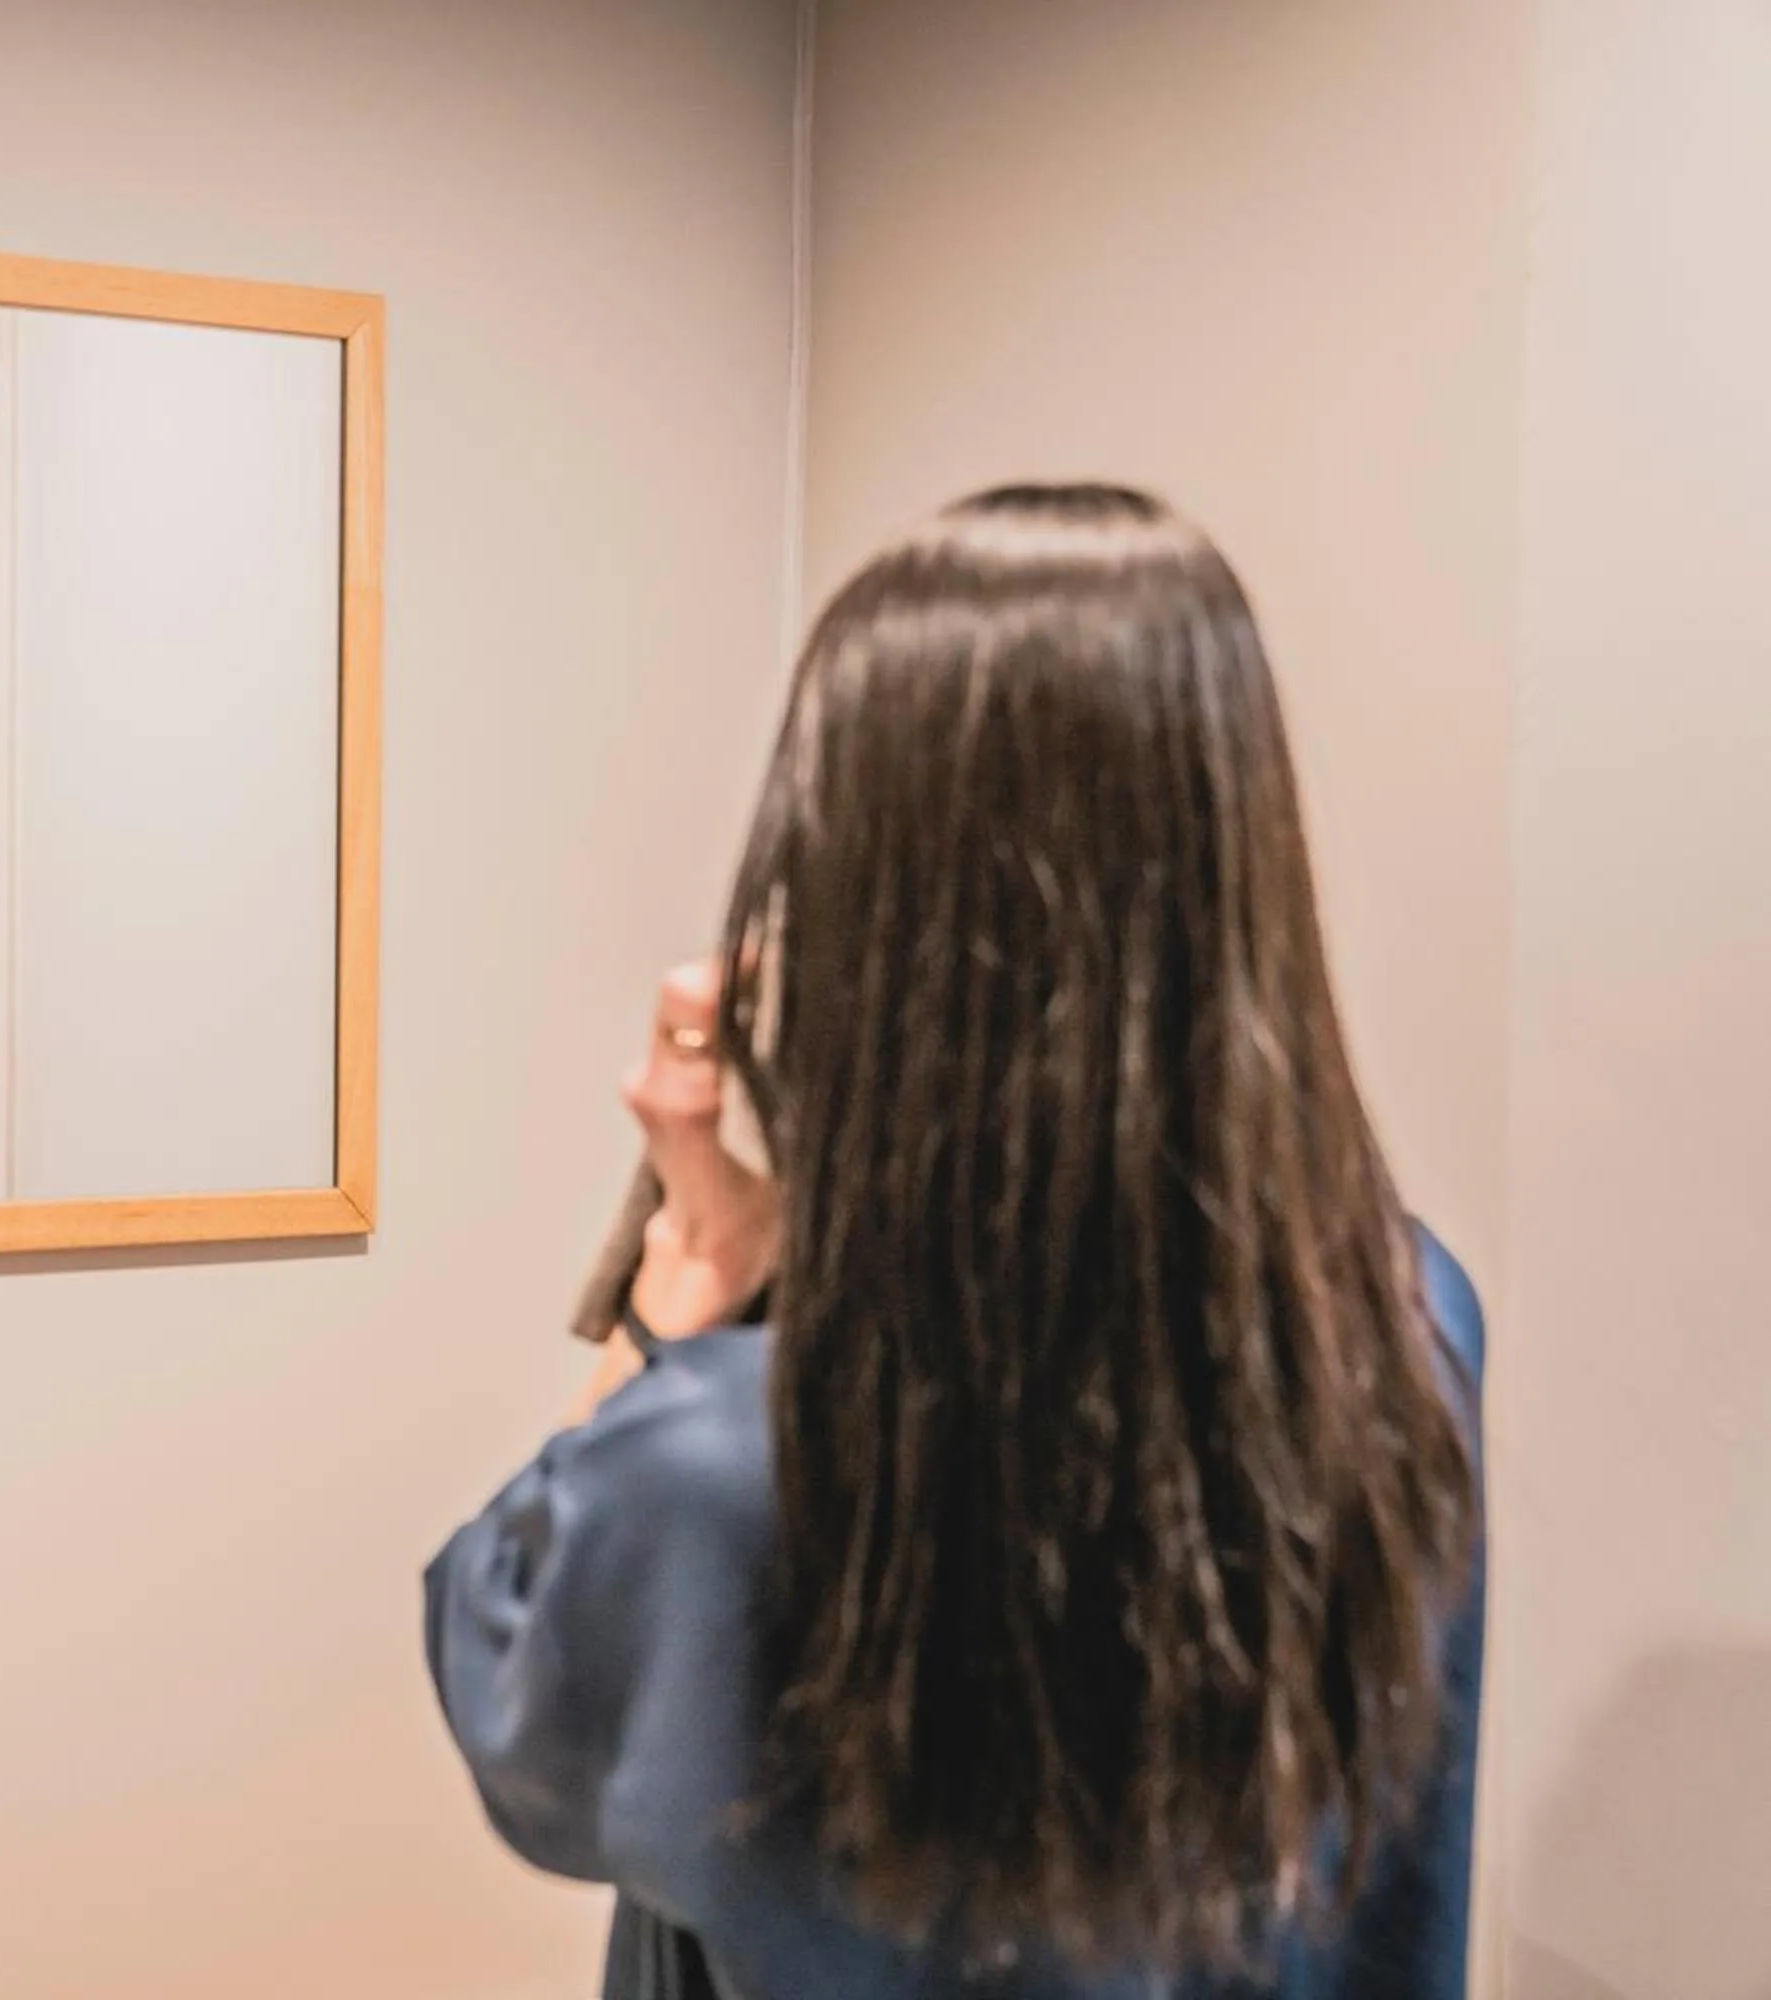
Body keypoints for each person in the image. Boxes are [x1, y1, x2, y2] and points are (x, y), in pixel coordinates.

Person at [425, 486, 1486, 2000]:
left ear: (860, 900)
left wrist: (679, 1298)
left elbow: (520, 1710)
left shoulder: (729, 1456)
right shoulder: (1403, 1322)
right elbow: (1402, 1889)